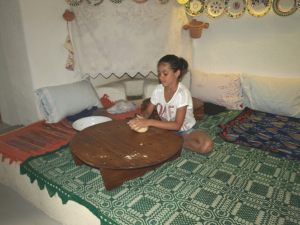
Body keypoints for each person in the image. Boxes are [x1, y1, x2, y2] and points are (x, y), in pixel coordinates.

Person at [128, 54, 213, 154]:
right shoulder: (158, 90)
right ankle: (171, 140)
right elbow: (147, 111)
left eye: (165, 73)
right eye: (159, 73)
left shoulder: (182, 93)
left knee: (206, 145)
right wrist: (141, 117)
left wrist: (149, 122)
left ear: (177, 73)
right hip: (164, 129)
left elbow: (177, 125)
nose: (161, 77)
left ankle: (174, 141)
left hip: (184, 131)